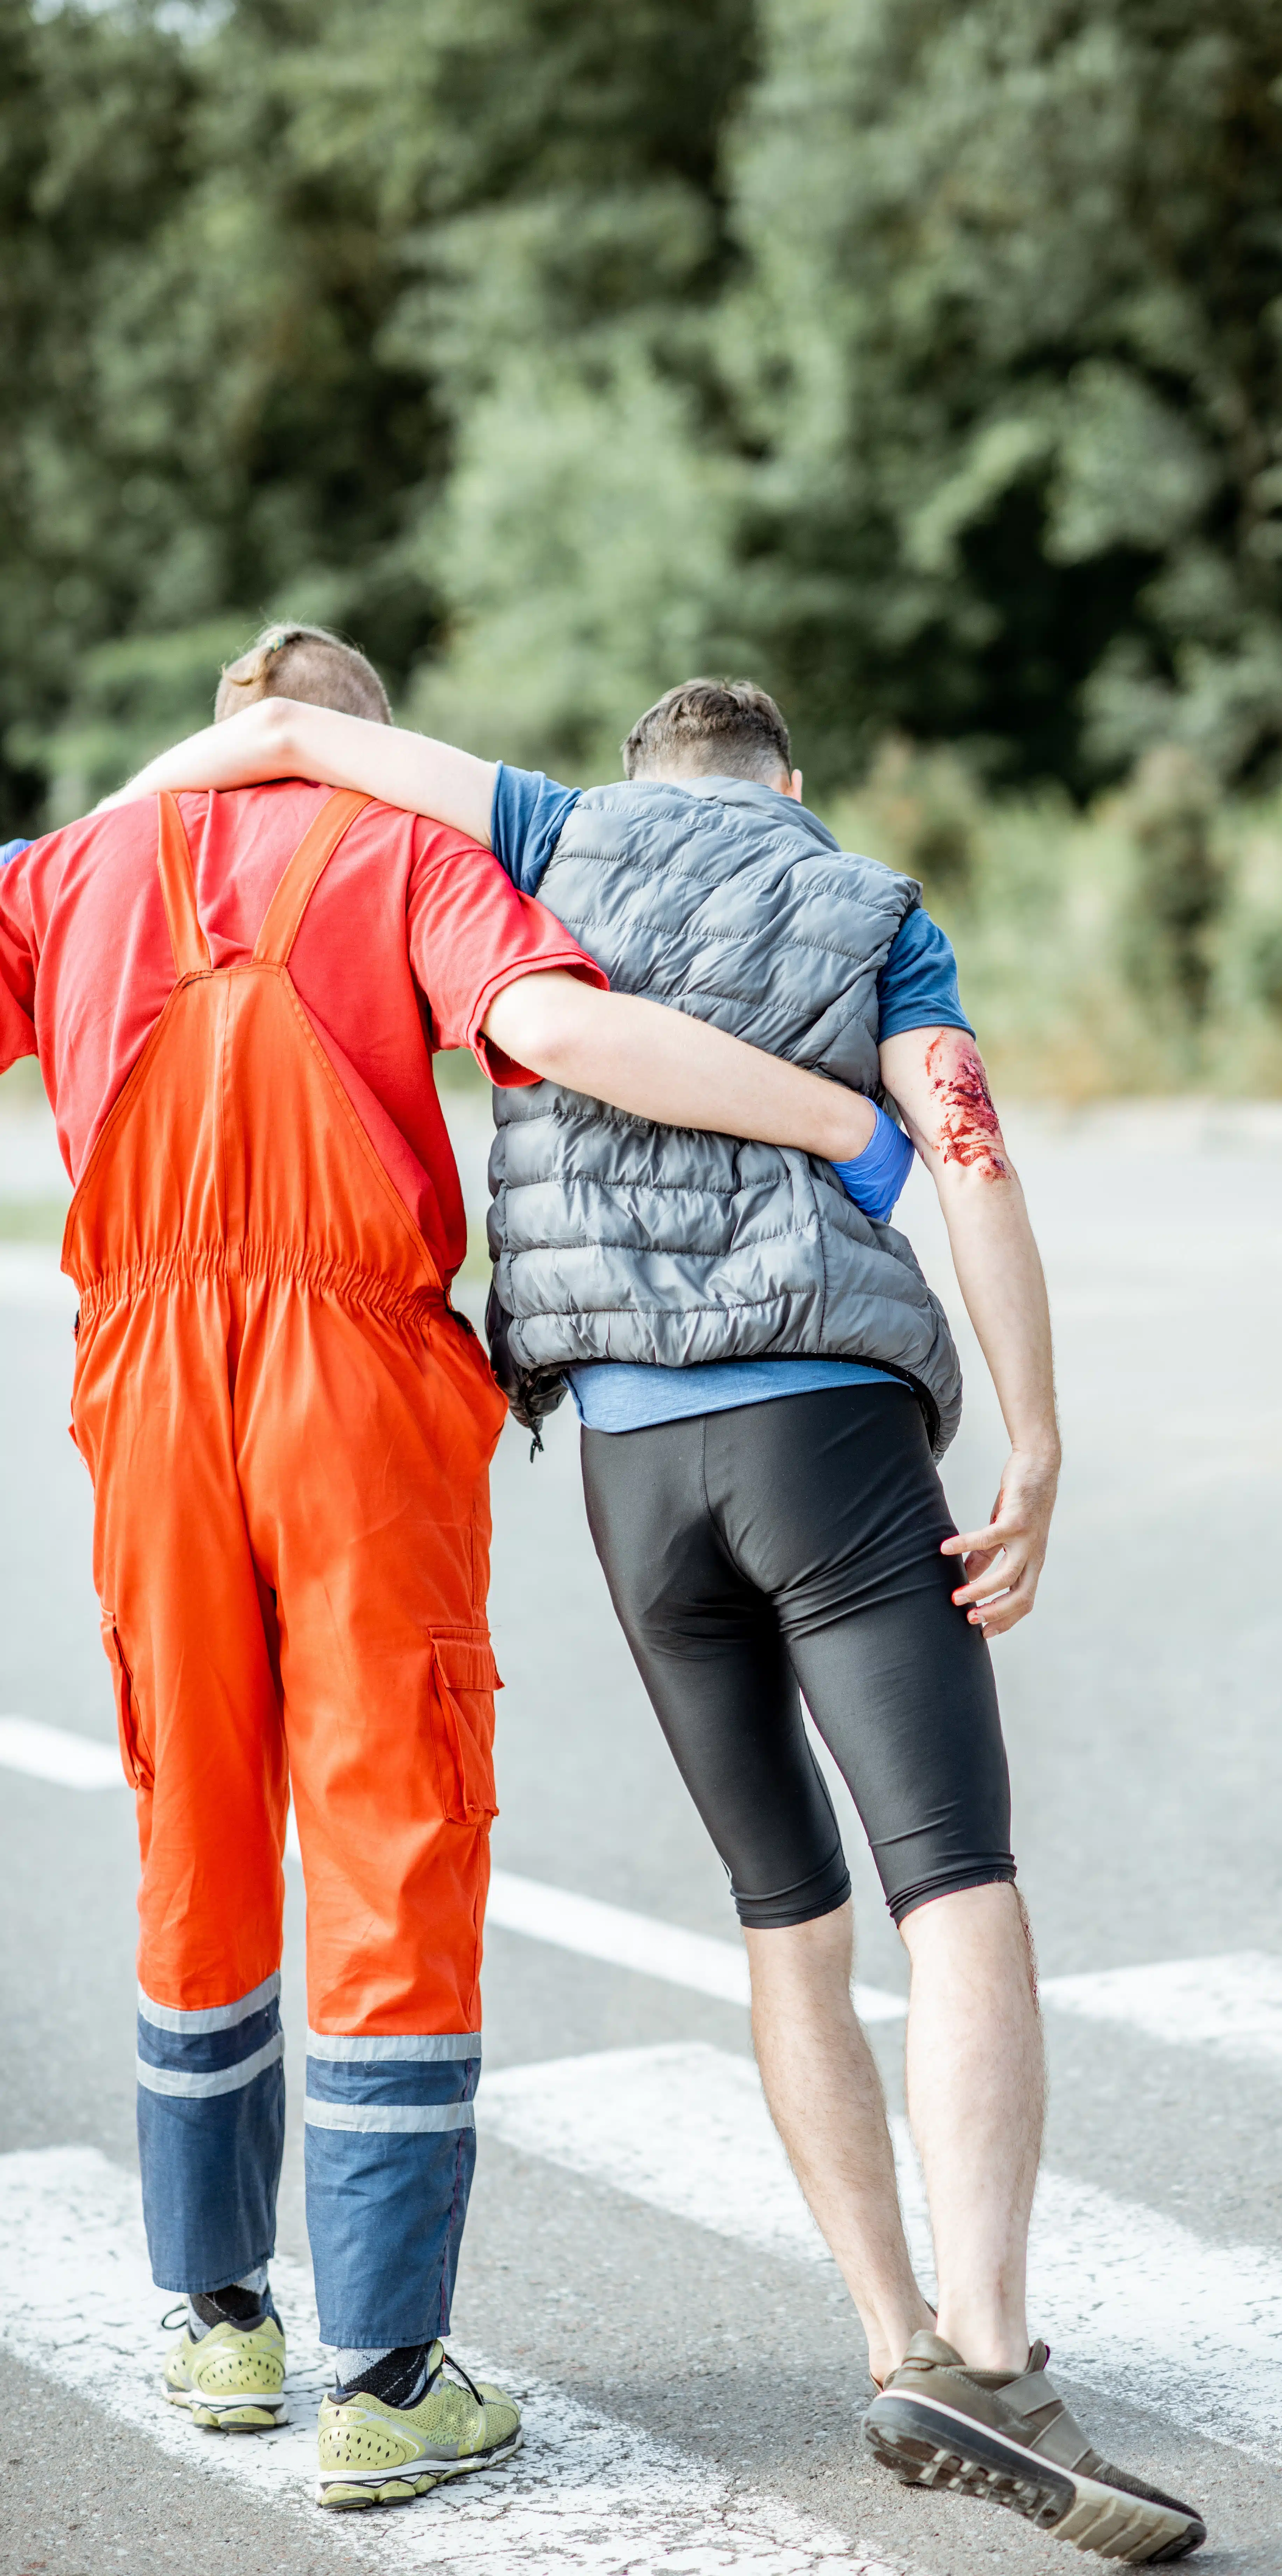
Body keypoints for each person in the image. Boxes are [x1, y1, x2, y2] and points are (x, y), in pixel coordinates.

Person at [124, 672, 1207, 2564]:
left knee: (786, 1916)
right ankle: (991, 2351)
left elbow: (297, 740)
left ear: (643, 779)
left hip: (632, 1475)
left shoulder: (543, 831)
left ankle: (891, 2342)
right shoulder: (873, 907)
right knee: (953, 1882)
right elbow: (967, 1158)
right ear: (789, 783)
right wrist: (1033, 1436)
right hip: (829, 1437)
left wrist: (156, 793)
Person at [0, 628, 892, 2513]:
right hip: (356, 1385)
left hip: (140, 1378)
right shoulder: (407, 852)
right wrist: (840, 1121)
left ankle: (221, 2314)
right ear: (363, 746)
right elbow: (559, 1034)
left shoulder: (72, 868)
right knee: (393, 1817)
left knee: (197, 1817)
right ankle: (387, 2370)